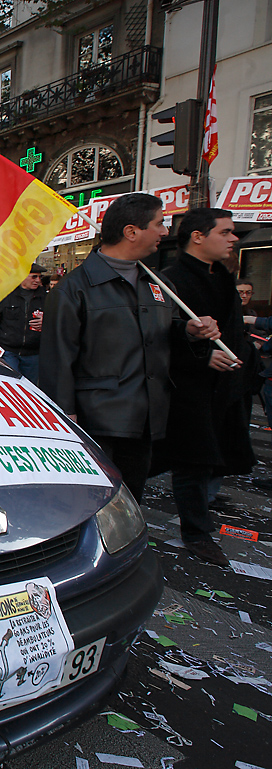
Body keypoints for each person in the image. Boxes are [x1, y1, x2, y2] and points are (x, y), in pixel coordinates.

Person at [39, 193, 220, 504]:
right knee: (93, 503)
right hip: (97, 421)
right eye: (159, 223)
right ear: (131, 232)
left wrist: (189, 331)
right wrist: (66, 420)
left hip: (146, 417)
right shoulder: (75, 289)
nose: (165, 231)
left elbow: (165, 336)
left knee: (131, 501)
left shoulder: (159, 284)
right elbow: (58, 360)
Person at [151, 208, 254, 566]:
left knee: (186, 459)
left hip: (223, 389)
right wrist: (201, 355)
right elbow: (159, 337)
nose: (233, 239)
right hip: (187, 391)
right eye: (225, 232)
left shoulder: (224, 278)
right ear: (198, 236)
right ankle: (197, 533)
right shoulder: (171, 280)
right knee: (189, 461)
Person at [0, 263, 46, 382]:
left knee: (30, 387)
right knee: (10, 382)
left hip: (33, 352)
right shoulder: (6, 296)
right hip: (9, 350)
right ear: (23, 277)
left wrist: (46, 321)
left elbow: (58, 320)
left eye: (39, 277)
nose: (37, 280)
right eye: (34, 277)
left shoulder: (45, 297)